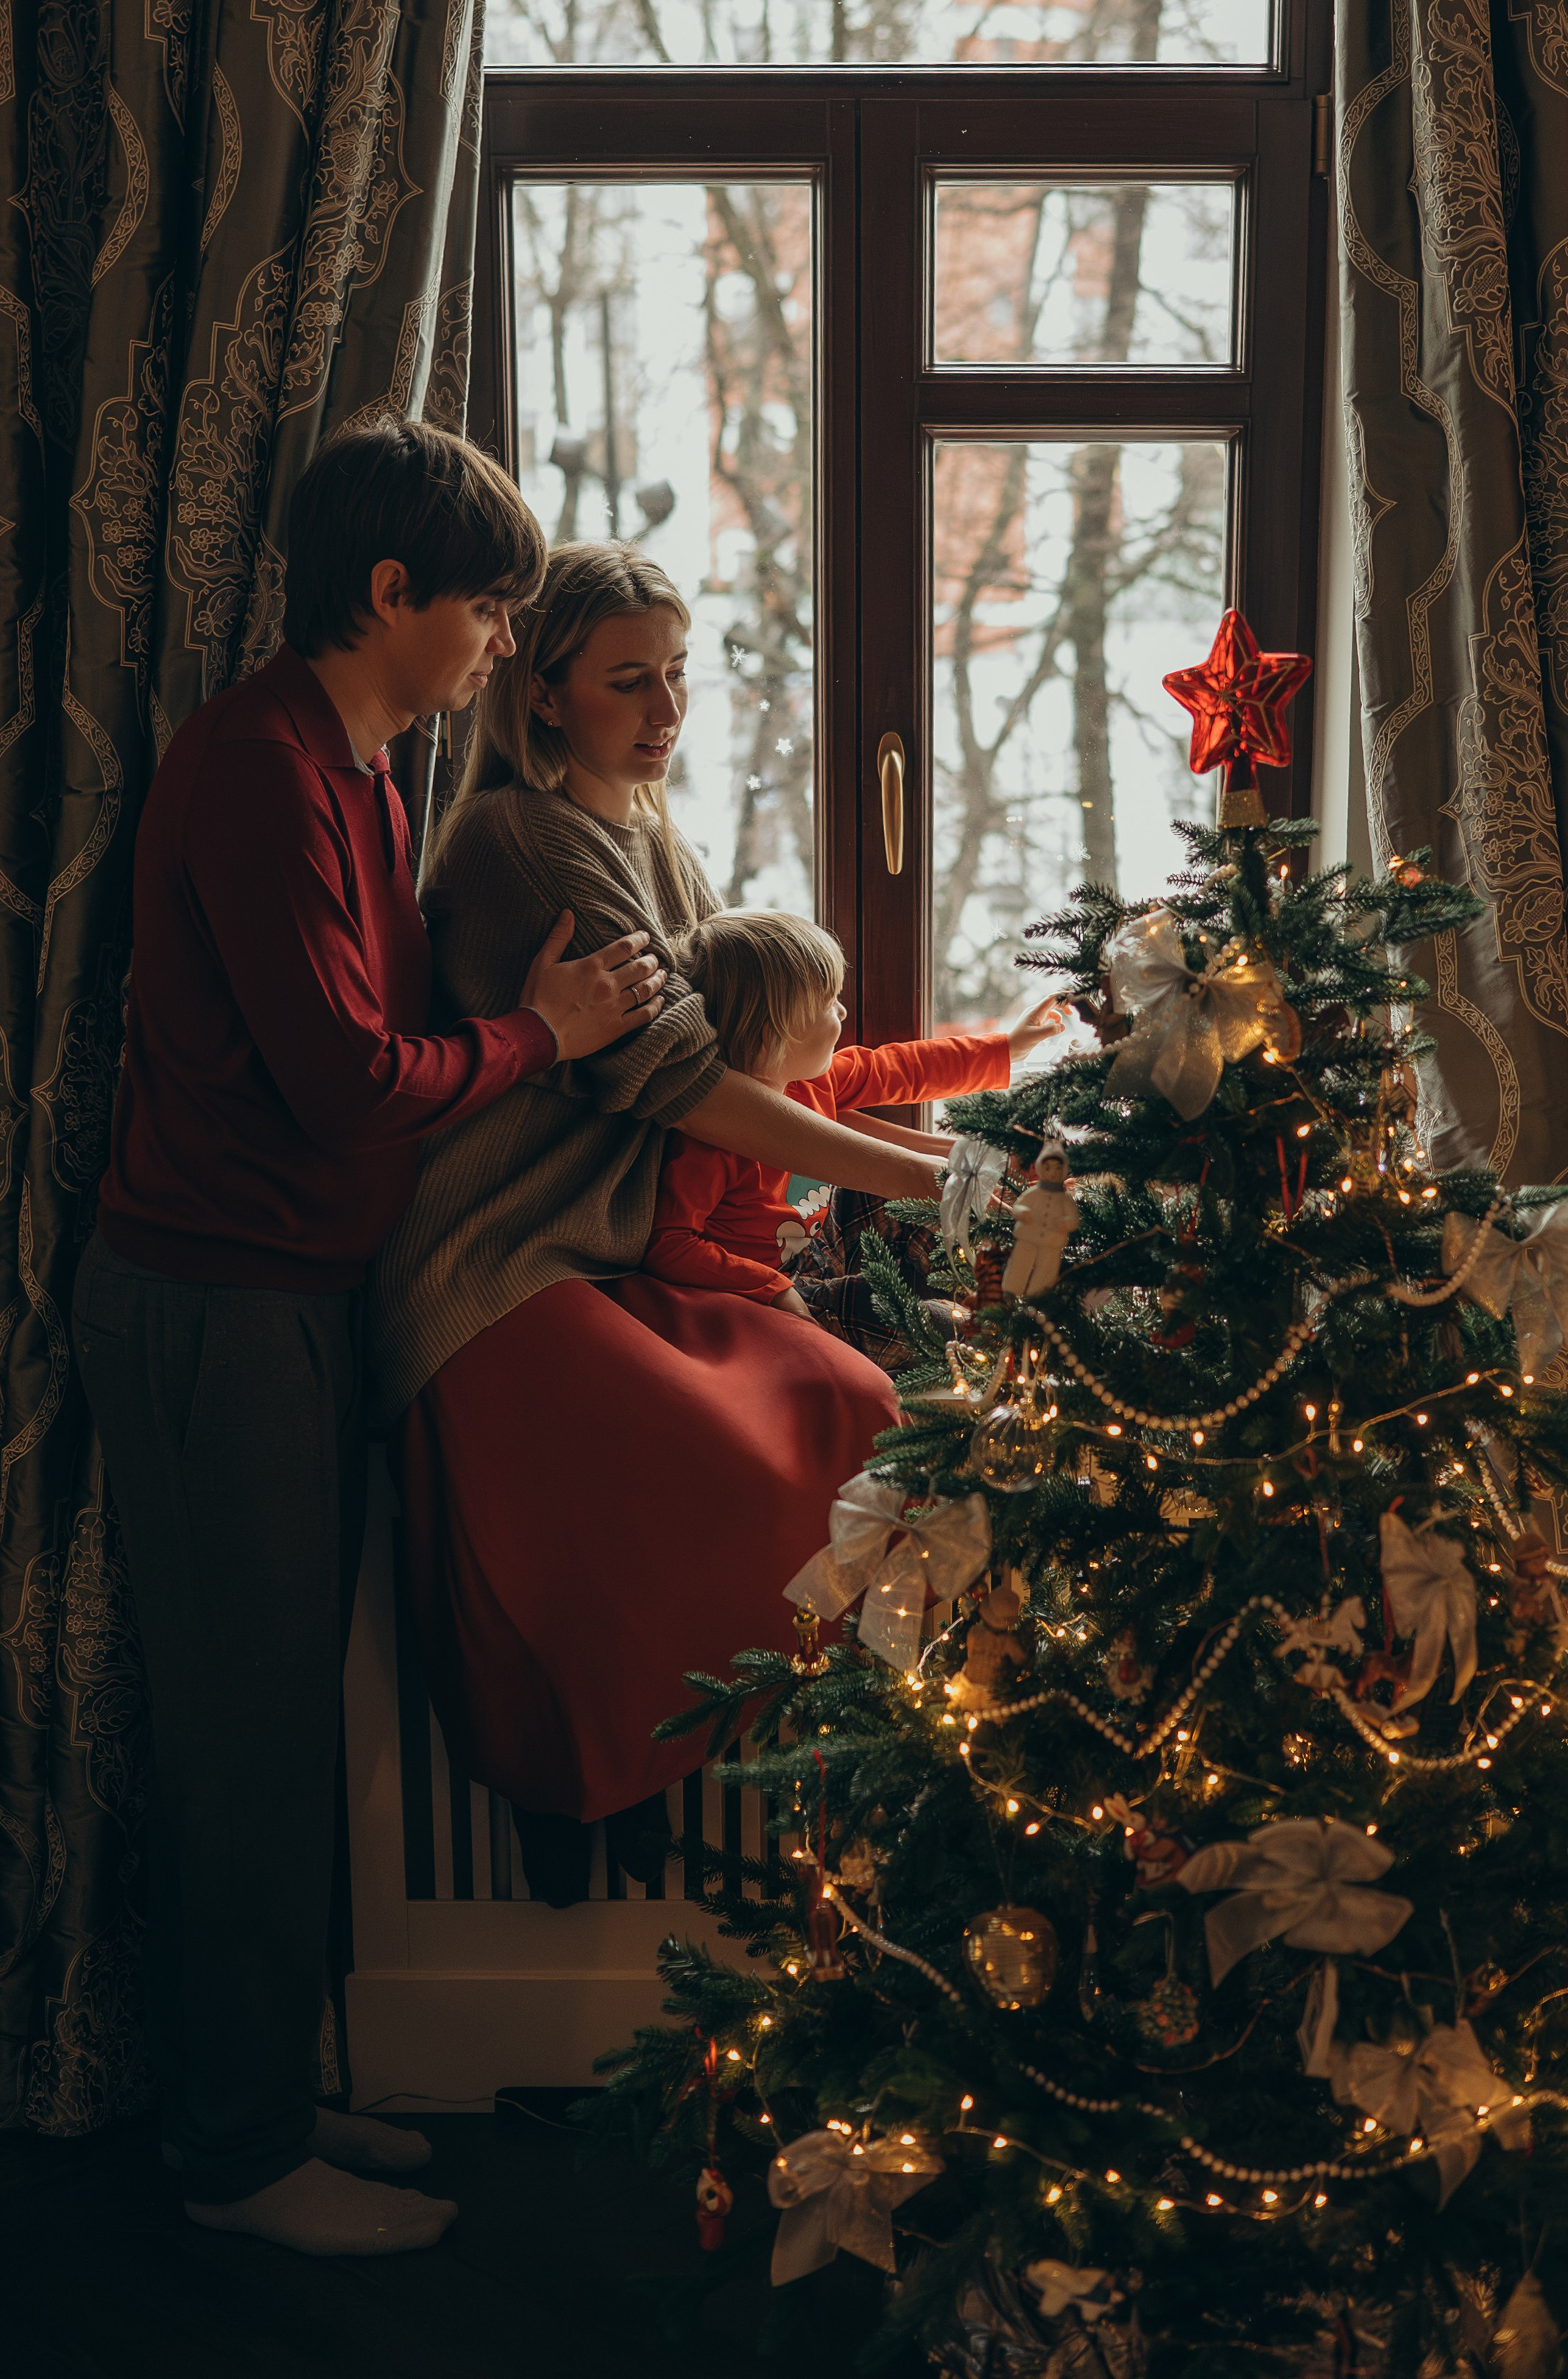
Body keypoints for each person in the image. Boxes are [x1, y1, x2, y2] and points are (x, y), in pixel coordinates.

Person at [71, 422, 664, 2259]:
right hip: (210, 1301)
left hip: (295, 1298)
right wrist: (552, 1038)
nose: (503, 638)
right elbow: (342, 1085)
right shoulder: (258, 768)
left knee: (286, 1729)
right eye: (486, 601)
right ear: (389, 591)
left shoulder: (372, 771)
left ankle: (263, 2083)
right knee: (239, 1738)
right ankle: (234, 2155)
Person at [372, 545, 944, 1907]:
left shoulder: (654, 841)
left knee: (855, 1403)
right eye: (631, 679)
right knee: (703, 1467)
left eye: (678, 673)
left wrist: (936, 1131)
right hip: (500, 1264)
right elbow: (687, 1078)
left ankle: (664, 1755)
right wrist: (925, 1180)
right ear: (547, 693)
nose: (668, 704)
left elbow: (758, 1060)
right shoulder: (520, 839)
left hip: (618, 1261)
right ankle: (591, 1768)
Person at [644, 905, 1065, 1346]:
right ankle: (1016, 1333)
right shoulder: (711, 1141)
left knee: (964, 1181)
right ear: (773, 1034)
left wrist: (1004, 1050)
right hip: (783, 1288)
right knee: (912, 1317)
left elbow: (903, 1068)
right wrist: (772, 1290)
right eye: (828, 1003)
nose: (843, 1012)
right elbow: (669, 1243)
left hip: (828, 1235)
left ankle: (1046, 1270)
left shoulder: (814, 1081)